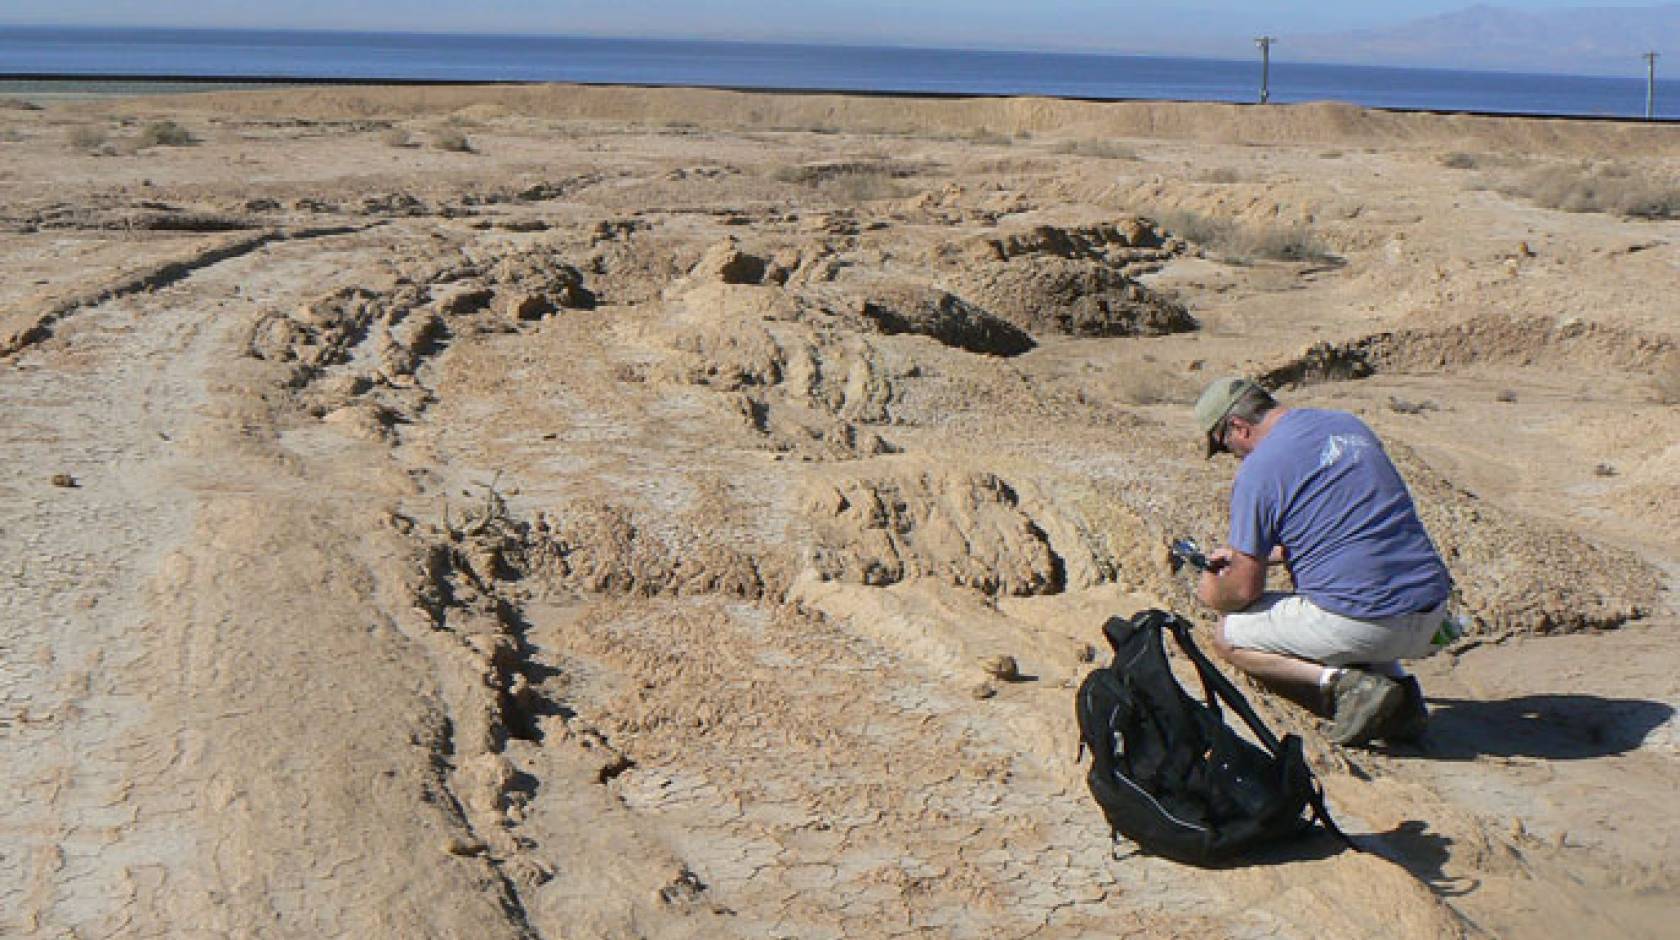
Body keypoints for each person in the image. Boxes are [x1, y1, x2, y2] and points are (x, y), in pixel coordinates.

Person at [1191, 376, 1453, 746]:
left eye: (1224, 445)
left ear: (1238, 428)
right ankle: (1402, 698)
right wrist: (1267, 556)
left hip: (1368, 623)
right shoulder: (1346, 425)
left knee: (1228, 635)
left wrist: (1212, 590)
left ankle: (1347, 686)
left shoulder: (1259, 470)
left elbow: (1242, 591)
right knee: (1348, 603)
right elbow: (1347, 526)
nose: (1233, 455)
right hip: (1432, 611)